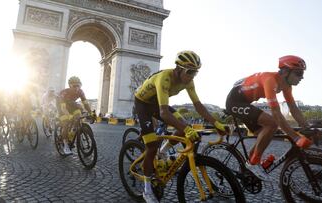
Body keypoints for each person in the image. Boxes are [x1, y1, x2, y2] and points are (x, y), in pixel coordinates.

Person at [134, 50, 227, 203]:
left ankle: (163, 152)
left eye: (195, 73)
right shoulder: (164, 78)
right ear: (178, 69)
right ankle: (147, 189)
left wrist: (216, 123)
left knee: (185, 126)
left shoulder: (189, 81)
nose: (191, 76)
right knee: (151, 146)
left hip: (157, 103)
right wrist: (187, 129)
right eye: (189, 72)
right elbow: (164, 113)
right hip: (143, 104)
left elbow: (198, 106)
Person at [226, 55, 312, 180]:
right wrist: (295, 137)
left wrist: (307, 127)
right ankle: (254, 162)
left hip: (246, 103)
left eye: (302, 74)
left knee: (265, 133)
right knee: (272, 124)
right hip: (234, 101)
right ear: (286, 72)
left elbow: (294, 109)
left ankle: (249, 166)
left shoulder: (287, 86)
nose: (302, 77)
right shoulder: (270, 80)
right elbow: (276, 113)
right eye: (298, 73)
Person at [57, 76, 94, 155]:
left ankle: (72, 134)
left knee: (78, 115)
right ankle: (66, 145)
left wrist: (91, 113)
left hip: (71, 104)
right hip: (62, 106)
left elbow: (86, 104)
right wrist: (69, 116)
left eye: (78, 85)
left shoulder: (80, 92)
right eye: (74, 86)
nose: (77, 88)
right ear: (70, 85)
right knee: (66, 122)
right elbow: (63, 108)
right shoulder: (64, 93)